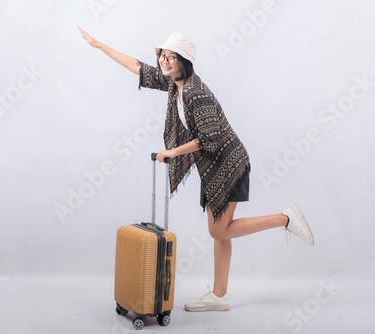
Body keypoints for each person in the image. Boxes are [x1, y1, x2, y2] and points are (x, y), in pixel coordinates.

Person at [78, 26, 314, 312]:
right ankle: (219, 295)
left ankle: (285, 219)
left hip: (229, 164)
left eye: (171, 57)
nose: (164, 61)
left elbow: (209, 139)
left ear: (184, 61)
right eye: (162, 55)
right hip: (214, 169)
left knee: (218, 232)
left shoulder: (194, 92)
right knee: (221, 232)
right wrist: (99, 44)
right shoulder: (172, 83)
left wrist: (172, 152)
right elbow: (136, 66)